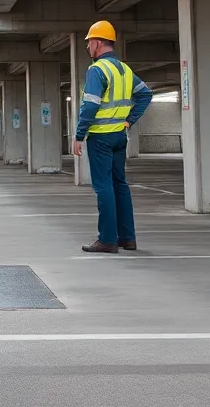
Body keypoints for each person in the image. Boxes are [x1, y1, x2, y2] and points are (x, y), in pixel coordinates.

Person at [71, 20, 152, 254]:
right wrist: (129, 120)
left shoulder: (97, 70)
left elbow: (90, 106)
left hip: (100, 137)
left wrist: (79, 134)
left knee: (103, 187)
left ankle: (107, 239)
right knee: (120, 185)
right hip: (119, 137)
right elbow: (145, 94)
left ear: (97, 42)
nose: (87, 48)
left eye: (88, 43)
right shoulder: (124, 70)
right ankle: (127, 238)